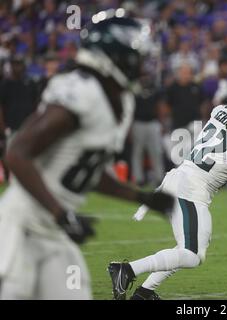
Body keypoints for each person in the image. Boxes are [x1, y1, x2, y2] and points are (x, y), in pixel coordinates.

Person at [0, 12, 173, 300]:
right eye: (137, 57)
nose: (144, 65)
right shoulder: (80, 90)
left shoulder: (123, 101)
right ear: (115, 57)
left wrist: (141, 197)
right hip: (21, 228)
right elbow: (17, 153)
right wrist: (61, 214)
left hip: (56, 233)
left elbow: (85, 171)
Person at [107, 76, 227, 300]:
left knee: (188, 248)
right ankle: (126, 270)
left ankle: (144, 293)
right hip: (191, 189)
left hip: (180, 179)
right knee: (193, 254)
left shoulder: (220, 111)